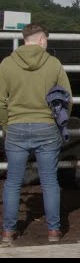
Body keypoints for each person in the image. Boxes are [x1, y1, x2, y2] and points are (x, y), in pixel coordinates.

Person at [0, 23, 72, 244]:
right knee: (49, 181)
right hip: (46, 127)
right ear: (41, 40)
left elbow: (1, 101)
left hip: (16, 127)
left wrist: (6, 125)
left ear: (25, 40)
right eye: (46, 40)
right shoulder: (53, 64)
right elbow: (67, 98)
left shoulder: (6, 64)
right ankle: (53, 231)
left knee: (12, 182)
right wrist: (61, 121)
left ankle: (8, 232)